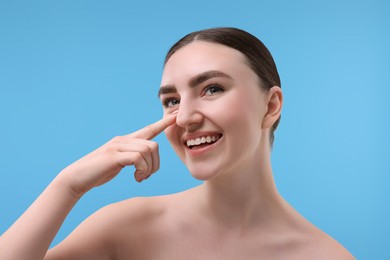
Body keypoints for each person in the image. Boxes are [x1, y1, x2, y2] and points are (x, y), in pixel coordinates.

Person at [0, 27, 354, 259]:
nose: (184, 117)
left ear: (271, 105)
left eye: (212, 89)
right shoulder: (127, 227)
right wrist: (68, 186)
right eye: (171, 100)